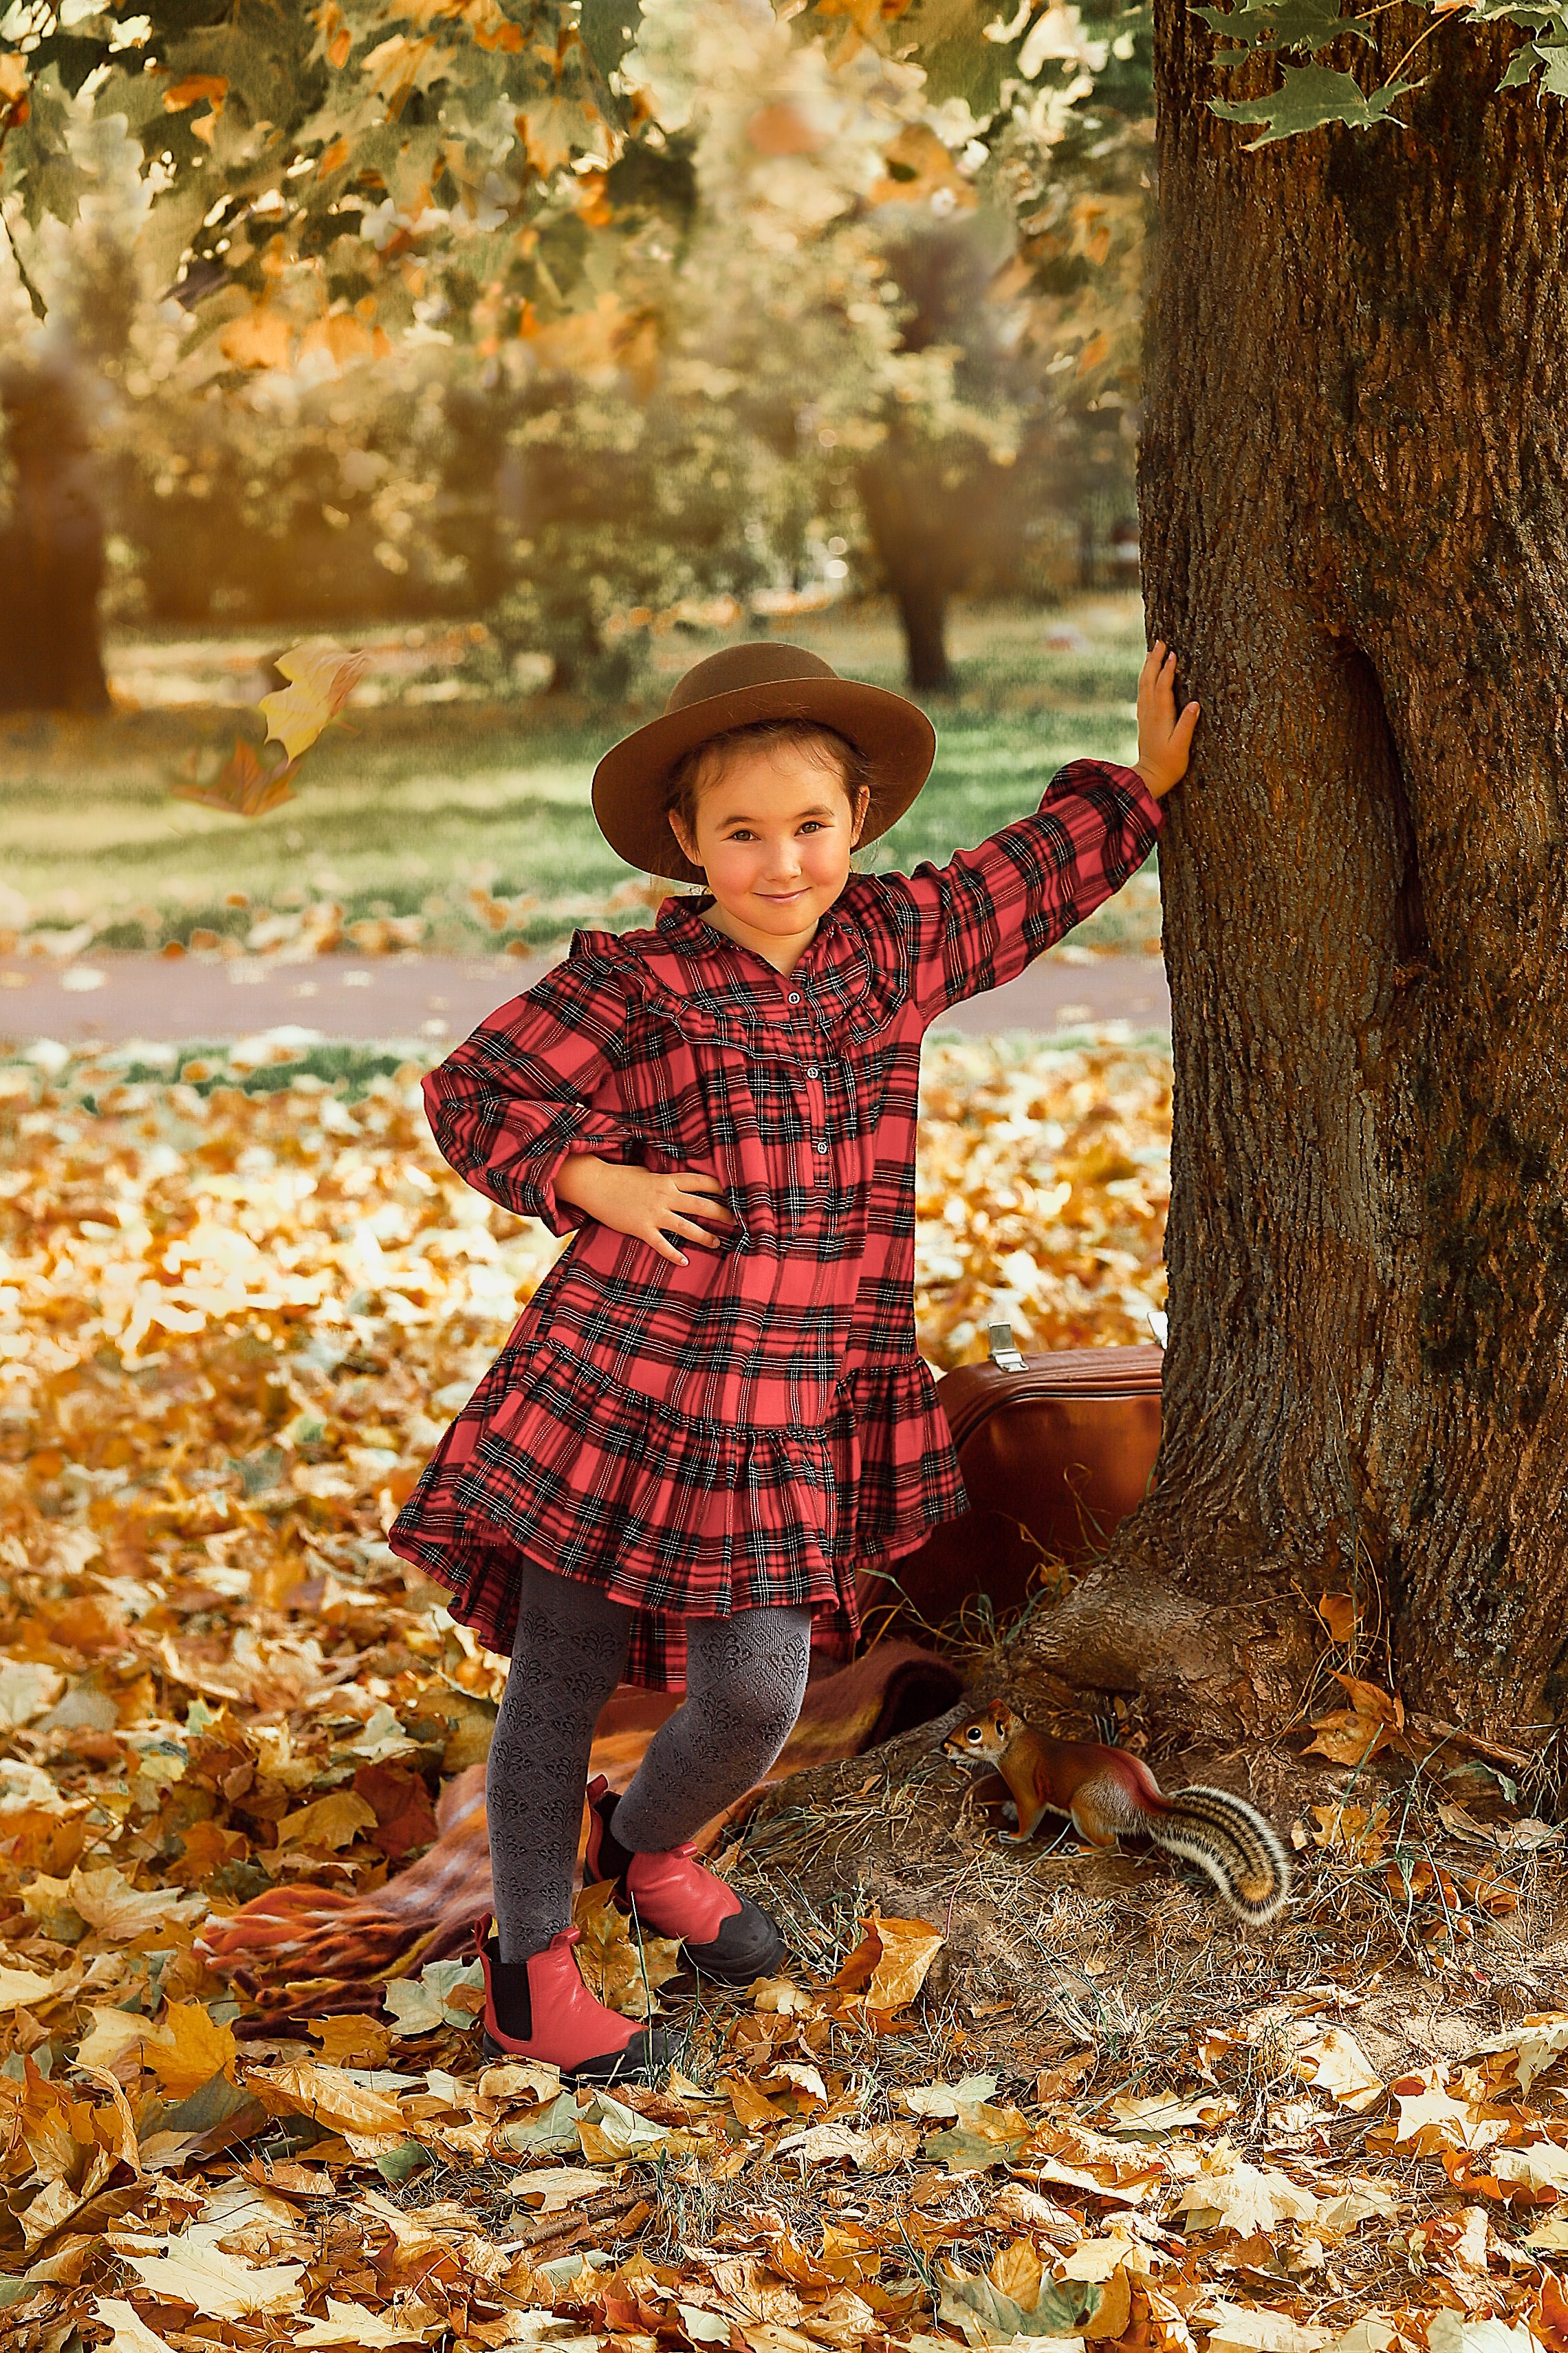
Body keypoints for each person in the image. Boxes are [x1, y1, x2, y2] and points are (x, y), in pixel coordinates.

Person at [387, 636, 1199, 2080]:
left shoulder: (893, 947)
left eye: (811, 825)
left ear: (861, 820)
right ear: (688, 843)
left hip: (786, 1405)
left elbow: (1026, 878)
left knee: (759, 1687)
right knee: (559, 1686)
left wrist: (1135, 787)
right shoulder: (637, 984)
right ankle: (529, 1970)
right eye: (742, 834)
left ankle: (642, 1851)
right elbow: (472, 1096)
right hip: (620, 1384)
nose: (781, 861)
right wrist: (592, 1183)